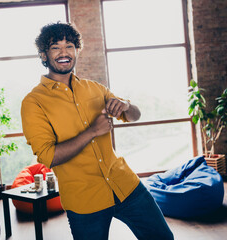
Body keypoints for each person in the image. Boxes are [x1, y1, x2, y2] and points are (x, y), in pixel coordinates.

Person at [21, 22, 174, 240]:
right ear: (44, 55)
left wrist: (126, 106)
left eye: (70, 46)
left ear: (76, 51)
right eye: (55, 47)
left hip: (126, 185)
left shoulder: (95, 88)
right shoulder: (33, 102)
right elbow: (48, 156)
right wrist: (92, 132)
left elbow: (134, 116)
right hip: (84, 201)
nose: (64, 52)